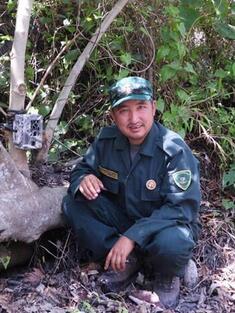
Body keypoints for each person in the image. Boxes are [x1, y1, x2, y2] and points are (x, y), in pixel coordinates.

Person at [62, 76, 201, 308]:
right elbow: (80, 171)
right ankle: (126, 260)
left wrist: (131, 236)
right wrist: (84, 178)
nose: (134, 119)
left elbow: (180, 209)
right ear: (113, 115)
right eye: (124, 110)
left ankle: (167, 276)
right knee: (73, 203)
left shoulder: (173, 150)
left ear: (153, 108)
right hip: (124, 220)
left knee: (174, 241)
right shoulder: (106, 141)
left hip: (162, 227)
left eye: (141, 108)